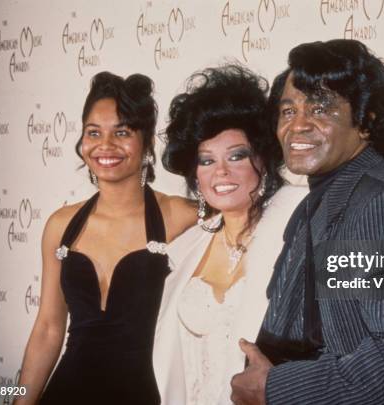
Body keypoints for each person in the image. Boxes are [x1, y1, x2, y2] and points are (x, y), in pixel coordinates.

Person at [230, 39, 384, 404]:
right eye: (288, 111)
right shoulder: (326, 196)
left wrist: (275, 389)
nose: (297, 126)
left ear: (365, 122)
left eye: (320, 109)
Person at [15, 72, 196, 404]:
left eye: (122, 132)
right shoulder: (61, 224)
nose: (106, 145)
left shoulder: (182, 216)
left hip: (144, 394)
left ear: (147, 143)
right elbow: (48, 328)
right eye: (93, 132)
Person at [154, 65, 307, 404]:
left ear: (263, 159)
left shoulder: (303, 219)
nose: (220, 171)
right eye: (206, 161)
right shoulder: (184, 249)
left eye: (236, 156)